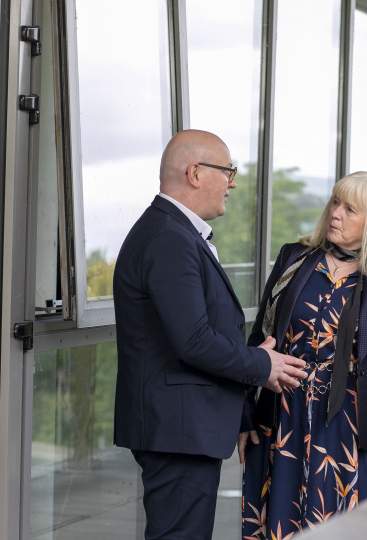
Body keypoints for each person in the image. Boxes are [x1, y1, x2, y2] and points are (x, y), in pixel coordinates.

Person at [113, 129, 307, 540]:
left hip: (184, 427)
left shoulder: (174, 233)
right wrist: (262, 364)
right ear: (195, 173)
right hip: (177, 431)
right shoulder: (169, 238)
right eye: (228, 171)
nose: (233, 182)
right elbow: (194, 341)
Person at [240, 171, 367, 539]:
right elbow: (258, 339)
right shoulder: (294, 259)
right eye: (335, 202)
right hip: (281, 417)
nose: (336, 213)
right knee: (279, 522)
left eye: (350, 208)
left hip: (350, 425)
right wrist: (244, 414)